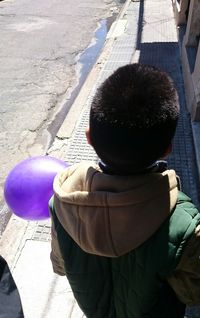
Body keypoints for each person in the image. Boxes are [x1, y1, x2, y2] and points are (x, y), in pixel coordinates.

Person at [49, 63, 200, 318]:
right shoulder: (183, 221)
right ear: (167, 150)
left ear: (89, 137)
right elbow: (193, 292)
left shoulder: (62, 204)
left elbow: (60, 265)